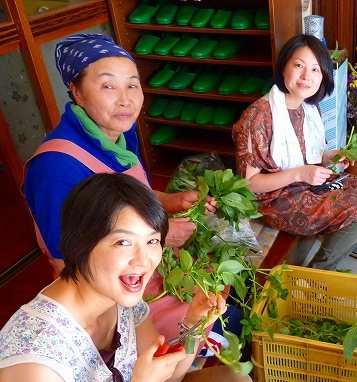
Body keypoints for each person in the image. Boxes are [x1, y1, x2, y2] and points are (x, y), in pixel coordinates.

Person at [0, 173, 265, 382]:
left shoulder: (120, 298)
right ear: (80, 244)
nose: (143, 260)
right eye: (123, 242)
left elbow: (171, 379)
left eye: (152, 240)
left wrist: (194, 325)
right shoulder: (37, 349)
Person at [21, 33, 242, 342]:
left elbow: (135, 198)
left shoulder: (119, 136)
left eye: (132, 85)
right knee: (228, 325)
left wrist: (172, 201)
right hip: (111, 295)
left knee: (232, 295)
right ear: (76, 91)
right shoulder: (55, 167)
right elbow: (69, 263)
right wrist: (160, 238)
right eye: (108, 86)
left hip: (152, 266)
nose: (125, 99)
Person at [232, 34, 357, 270]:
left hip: (304, 183)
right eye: (299, 65)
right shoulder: (259, 116)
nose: (307, 76)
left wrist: (330, 158)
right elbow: (249, 184)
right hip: (274, 198)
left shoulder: (308, 106)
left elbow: (311, 155)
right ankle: (319, 272)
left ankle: (353, 243)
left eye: (316, 69)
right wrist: (299, 174)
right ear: (284, 67)